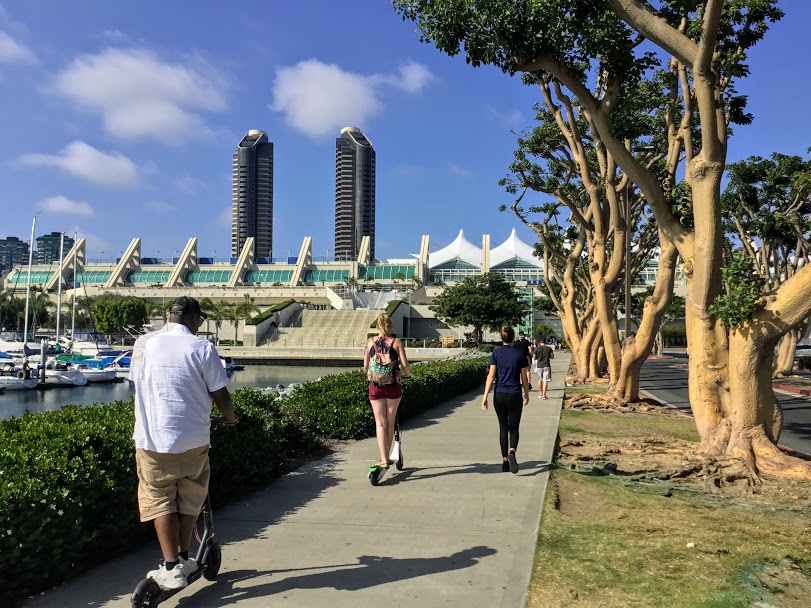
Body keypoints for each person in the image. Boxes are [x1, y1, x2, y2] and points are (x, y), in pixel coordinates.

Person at [130, 296, 238, 590]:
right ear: (193, 318)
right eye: (200, 321)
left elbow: (138, 385)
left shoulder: (145, 345)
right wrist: (230, 418)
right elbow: (221, 394)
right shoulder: (202, 347)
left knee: (159, 499)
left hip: (152, 439)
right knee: (190, 498)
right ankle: (183, 556)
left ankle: (170, 567)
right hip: (193, 438)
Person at [364, 313, 411, 473]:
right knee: (390, 422)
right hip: (393, 386)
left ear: (377, 327)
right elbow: (405, 364)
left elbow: (365, 366)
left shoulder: (370, 342)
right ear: (390, 326)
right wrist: (408, 374)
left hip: (375, 386)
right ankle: (388, 457)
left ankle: (383, 459)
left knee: (380, 423)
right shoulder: (396, 342)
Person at [482, 326, 530, 474]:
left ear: (501, 337)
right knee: (514, 427)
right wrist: (526, 394)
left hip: (500, 394)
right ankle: (512, 452)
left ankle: (504, 462)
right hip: (515, 394)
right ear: (513, 337)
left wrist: (485, 397)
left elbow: (491, 376)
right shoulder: (520, 353)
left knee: (503, 427)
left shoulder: (496, 353)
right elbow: (524, 378)